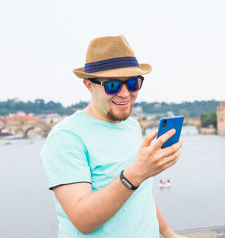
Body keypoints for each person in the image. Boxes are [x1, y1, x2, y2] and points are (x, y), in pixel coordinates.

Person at [41, 35, 185, 238]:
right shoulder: (66, 137)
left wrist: (169, 234)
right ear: (88, 84)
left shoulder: (132, 126)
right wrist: (136, 174)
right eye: (112, 85)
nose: (125, 93)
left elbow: (141, 195)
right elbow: (83, 220)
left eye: (133, 83)